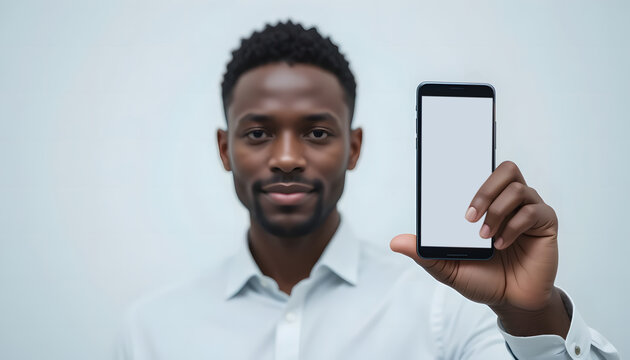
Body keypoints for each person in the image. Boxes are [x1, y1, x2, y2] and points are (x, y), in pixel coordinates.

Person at [118, 21, 619, 359]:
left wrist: (532, 315)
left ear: (353, 148)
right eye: (257, 133)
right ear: (225, 150)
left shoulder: (448, 310)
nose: (288, 157)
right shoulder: (150, 331)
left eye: (317, 132)